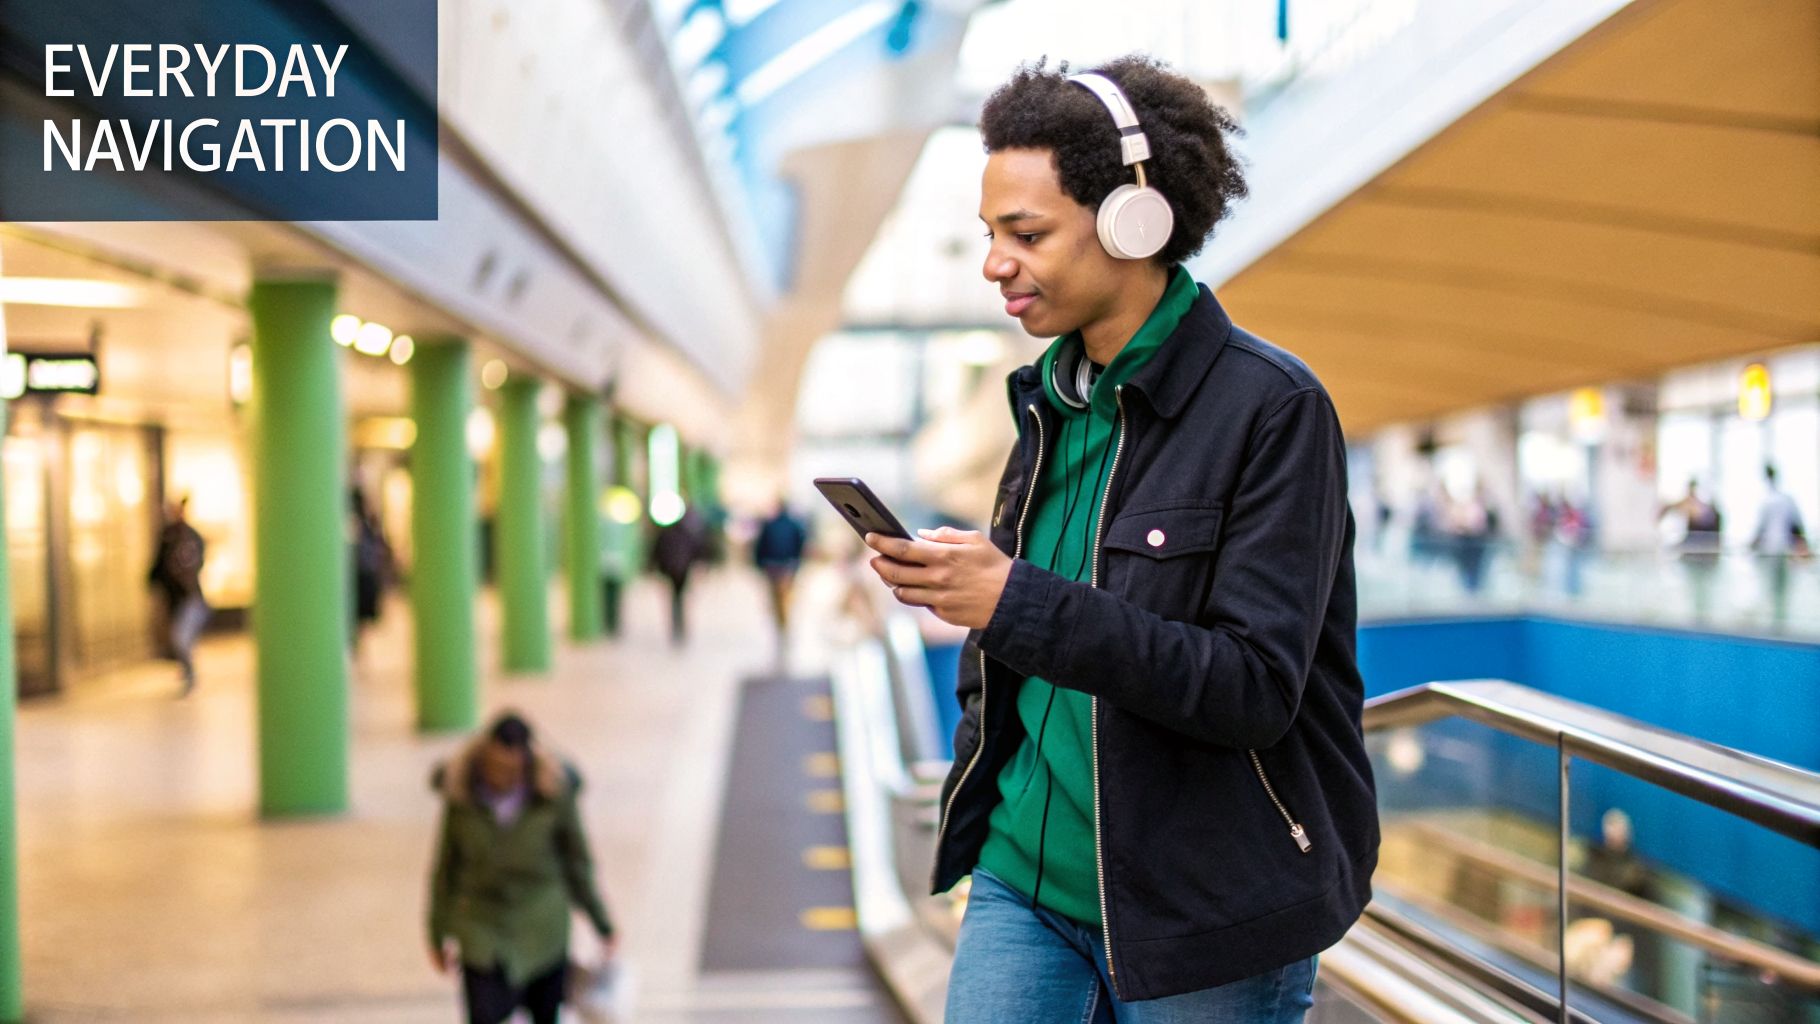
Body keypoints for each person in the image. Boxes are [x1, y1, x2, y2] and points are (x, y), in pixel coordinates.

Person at [863, 57, 1377, 1022]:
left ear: (1131, 222)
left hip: (1204, 907)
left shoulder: (1273, 411)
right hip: (1023, 877)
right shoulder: (1049, 401)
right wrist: (978, 597)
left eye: (1026, 235)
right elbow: (1026, 640)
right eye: (990, 235)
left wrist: (1014, 600)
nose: (995, 265)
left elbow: (1253, 687)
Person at [428, 712, 618, 1024]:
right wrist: (438, 933)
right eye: (495, 768)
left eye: (511, 770)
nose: (501, 777)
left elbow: (577, 862)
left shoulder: (553, 794)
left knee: (546, 1014)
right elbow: (445, 869)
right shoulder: (461, 796)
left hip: (542, 926)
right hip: (482, 929)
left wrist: (602, 923)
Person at [147, 496, 209, 697]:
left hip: (190, 598)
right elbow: (158, 564)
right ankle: (187, 671)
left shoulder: (190, 536)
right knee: (179, 639)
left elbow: (196, 562)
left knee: (181, 638)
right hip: (175, 599)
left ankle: (189, 674)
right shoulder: (167, 536)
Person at [1750, 464, 1808, 631]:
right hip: (1778, 550)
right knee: (1778, 588)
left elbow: (1762, 529)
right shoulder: (1784, 499)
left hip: (1775, 550)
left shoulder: (1772, 500)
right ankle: (1777, 622)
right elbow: (1797, 525)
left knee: (1775, 588)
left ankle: (1777, 623)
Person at [752, 497, 810, 663]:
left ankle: (781, 626)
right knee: (783, 600)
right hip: (786, 567)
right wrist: (796, 563)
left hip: (772, 567)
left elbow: (760, 546)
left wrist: (759, 564)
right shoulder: (793, 524)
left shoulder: (769, 525)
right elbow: (800, 544)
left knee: (777, 600)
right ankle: (783, 626)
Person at [1659, 479, 1722, 625]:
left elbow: (1700, 520)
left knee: (1703, 592)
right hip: (1694, 560)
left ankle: (1702, 617)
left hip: (1705, 561)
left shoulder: (1704, 510)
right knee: (1695, 592)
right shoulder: (1691, 508)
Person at [651, 506, 707, 646]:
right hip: (682, 570)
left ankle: (677, 625)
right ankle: (680, 625)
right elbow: (697, 550)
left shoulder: (667, 532)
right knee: (679, 598)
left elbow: (657, 551)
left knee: (675, 599)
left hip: (672, 570)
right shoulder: (687, 533)